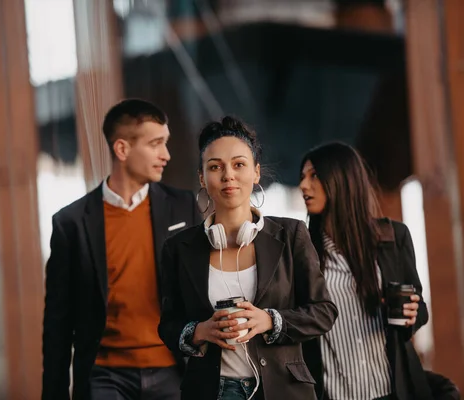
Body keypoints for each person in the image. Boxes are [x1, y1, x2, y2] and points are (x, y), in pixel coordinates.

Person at [158, 116, 338, 400]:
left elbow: (324, 312)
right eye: (216, 167)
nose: (228, 175)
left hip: (283, 390)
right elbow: (168, 326)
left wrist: (270, 321)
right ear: (203, 178)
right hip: (211, 391)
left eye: (238, 164)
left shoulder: (291, 234)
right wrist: (200, 331)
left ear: (256, 173)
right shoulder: (178, 248)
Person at [42, 99, 202, 400]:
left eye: (165, 143)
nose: (165, 155)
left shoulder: (183, 207)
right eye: (155, 144)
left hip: (173, 371)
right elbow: (58, 321)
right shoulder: (71, 223)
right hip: (104, 376)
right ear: (122, 149)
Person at [299, 142, 435, 400]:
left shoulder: (393, 237)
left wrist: (410, 314)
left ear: (342, 179)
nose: (304, 185)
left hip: (393, 392)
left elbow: (420, 310)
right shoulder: (303, 253)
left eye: (314, 175)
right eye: (303, 177)